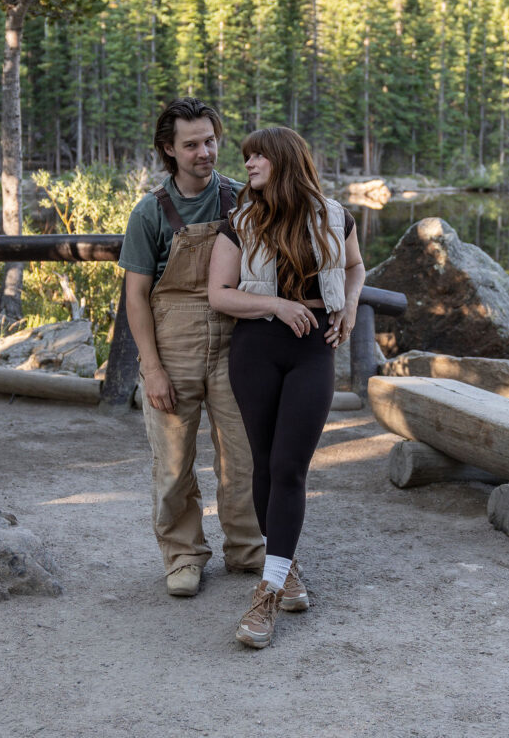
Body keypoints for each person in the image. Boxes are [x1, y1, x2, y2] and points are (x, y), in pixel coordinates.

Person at [208, 126, 366, 648]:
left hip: (314, 350)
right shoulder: (240, 222)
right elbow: (220, 295)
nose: (247, 165)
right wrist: (276, 304)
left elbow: (356, 266)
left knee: (290, 467)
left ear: (283, 160)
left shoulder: (336, 216)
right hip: (256, 348)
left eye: (256, 157)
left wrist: (347, 304)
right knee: (263, 462)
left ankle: (266, 594)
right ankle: (285, 569)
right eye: (246, 157)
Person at [119, 97, 264, 597]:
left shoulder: (244, 200)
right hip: (173, 346)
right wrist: (151, 367)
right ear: (169, 149)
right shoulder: (149, 213)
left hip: (235, 344)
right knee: (173, 463)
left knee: (243, 457)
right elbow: (136, 297)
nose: (205, 152)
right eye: (192, 144)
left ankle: (248, 548)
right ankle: (183, 556)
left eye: (210, 140)